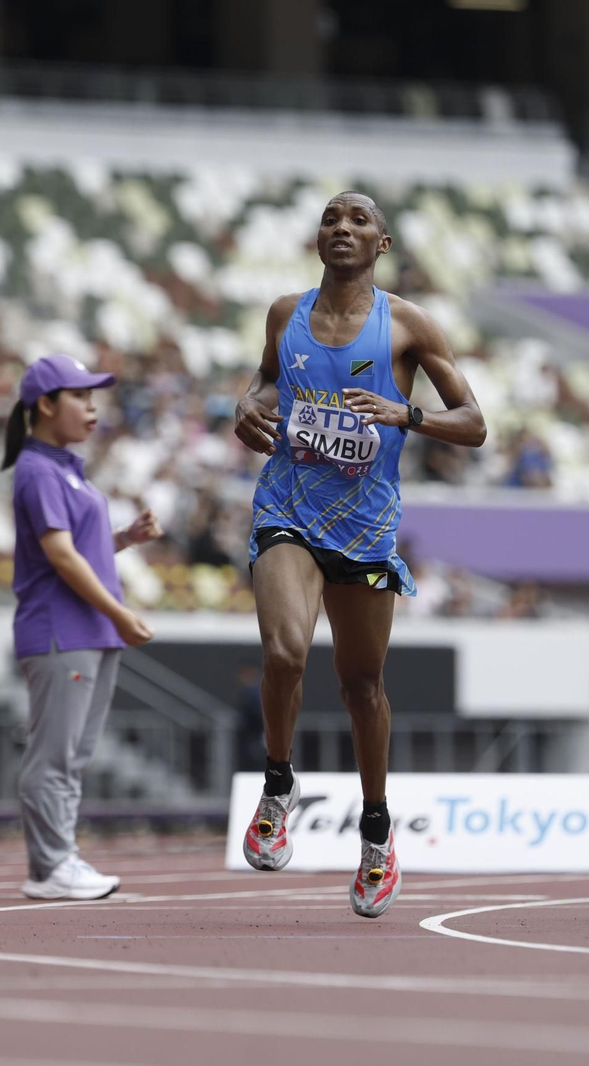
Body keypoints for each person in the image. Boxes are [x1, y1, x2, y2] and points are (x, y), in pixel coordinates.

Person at [231, 192, 487, 918]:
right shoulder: (285, 314)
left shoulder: (407, 324)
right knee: (284, 653)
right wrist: (245, 406)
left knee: (360, 685)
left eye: (358, 221)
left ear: (382, 243)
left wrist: (406, 413)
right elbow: (264, 384)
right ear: (318, 238)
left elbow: (474, 424)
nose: (342, 228)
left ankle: (377, 834)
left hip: (367, 529)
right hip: (287, 507)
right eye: (331, 219)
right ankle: (279, 785)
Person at [3, 355, 160, 900]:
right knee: (54, 753)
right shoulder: (38, 469)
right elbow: (62, 558)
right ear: (45, 405)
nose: (93, 408)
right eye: (80, 397)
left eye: (95, 398)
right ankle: (50, 866)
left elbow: (78, 549)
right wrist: (120, 613)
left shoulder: (66, 467)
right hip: (60, 630)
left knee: (74, 753)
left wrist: (123, 539)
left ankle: (59, 857)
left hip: (89, 631)